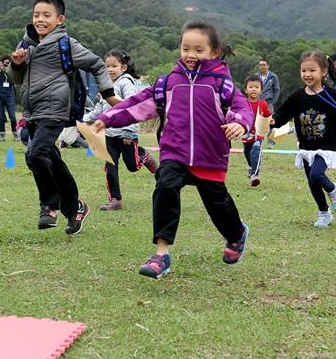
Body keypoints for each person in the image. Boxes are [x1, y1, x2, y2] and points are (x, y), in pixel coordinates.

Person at [91, 20, 253, 279]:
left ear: (214, 52)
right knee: (165, 186)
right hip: (174, 152)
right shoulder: (168, 83)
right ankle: (161, 254)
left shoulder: (222, 85)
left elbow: (242, 108)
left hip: (210, 156)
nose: (190, 55)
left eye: (198, 50)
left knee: (217, 204)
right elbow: (138, 103)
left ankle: (236, 234)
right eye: (185, 48)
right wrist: (110, 118)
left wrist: (239, 123)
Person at [9, 0, 119, 235]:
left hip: (55, 109)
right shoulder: (25, 44)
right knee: (52, 160)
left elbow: (97, 65)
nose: (40, 19)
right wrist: (16, 65)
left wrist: (109, 95)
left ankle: (49, 205)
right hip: (33, 111)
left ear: (60, 19)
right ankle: (76, 208)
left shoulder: (66, 44)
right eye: (36, 14)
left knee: (35, 153)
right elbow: (17, 79)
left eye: (46, 15)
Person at [270, 51, 336, 228]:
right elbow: (282, 113)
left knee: (317, 175)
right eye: (303, 70)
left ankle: (333, 189)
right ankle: (324, 212)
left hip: (325, 145)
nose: (307, 74)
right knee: (312, 181)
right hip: (305, 145)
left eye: (312, 70)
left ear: (324, 71)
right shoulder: (297, 96)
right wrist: (271, 121)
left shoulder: (330, 94)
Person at [82, 49, 159, 211]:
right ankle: (115, 200)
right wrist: (84, 119)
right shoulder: (106, 85)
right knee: (110, 166)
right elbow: (100, 107)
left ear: (123, 67)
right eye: (107, 66)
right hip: (109, 135)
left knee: (132, 165)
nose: (109, 69)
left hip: (126, 134)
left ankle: (144, 156)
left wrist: (129, 131)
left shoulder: (126, 83)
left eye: (113, 66)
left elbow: (133, 106)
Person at [241, 75, 272, 187]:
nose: (253, 89)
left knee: (256, 150)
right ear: (246, 89)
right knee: (247, 152)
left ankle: (255, 175)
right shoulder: (242, 102)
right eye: (251, 87)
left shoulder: (263, 103)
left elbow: (268, 115)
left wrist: (271, 119)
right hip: (246, 134)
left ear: (261, 90)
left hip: (259, 133)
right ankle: (251, 167)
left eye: (256, 87)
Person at [0, 55, 18, 141]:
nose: (6, 65)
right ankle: (2, 136)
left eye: (8, 63)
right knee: (1, 117)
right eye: (5, 63)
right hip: (0, 96)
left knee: (12, 116)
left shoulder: (12, 72)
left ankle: (15, 134)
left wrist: (8, 71)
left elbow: (14, 80)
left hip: (10, 96)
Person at [257, 58, 281, 147]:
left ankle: (271, 142)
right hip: (258, 102)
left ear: (268, 66)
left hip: (268, 102)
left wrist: (273, 101)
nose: (262, 66)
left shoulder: (273, 76)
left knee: (270, 122)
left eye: (264, 64)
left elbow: (277, 90)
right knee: (258, 122)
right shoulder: (256, 76)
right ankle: (258, 141)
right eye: (260, 65)